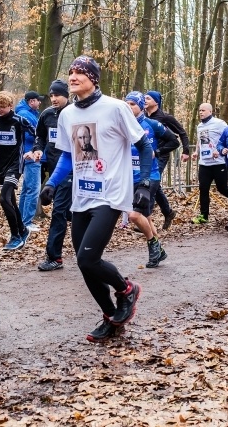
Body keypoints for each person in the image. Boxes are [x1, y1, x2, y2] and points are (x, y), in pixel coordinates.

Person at [39, 55, 150, 342]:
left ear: (93, 78)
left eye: (80, 72)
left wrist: (145, 184)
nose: (73, 77)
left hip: (111, 194)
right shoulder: (67, 115)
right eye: (71, 72)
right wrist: (52, 182)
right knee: (84, 262)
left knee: (89, 258)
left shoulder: (115, 108)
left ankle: (127, 289)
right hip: (82, 195)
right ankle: (112, 318)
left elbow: (144, 145)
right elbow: (67, 155)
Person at [124, 91, 178, 267]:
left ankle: (153, 245)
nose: (129, 107)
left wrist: (158, 152)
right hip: (129, 177)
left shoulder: (152, 124)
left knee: (134, 215)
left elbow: (174, 141)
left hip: (150, 176)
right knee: (145, 217)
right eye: (127, 104)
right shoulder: (121, 125)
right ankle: (158, 251)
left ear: (141, 106)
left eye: (133, 104)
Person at [0, 90, 35, 250]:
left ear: (10, 106)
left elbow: (37, 133)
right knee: (10, 200)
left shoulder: (19, 120)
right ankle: (23, 230)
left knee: (4, 199)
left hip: (15, 165)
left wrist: (33, 150)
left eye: (2, 107)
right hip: (0, 166)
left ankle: (15, 236)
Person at [26, 79, 71, 271]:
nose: (53, 99)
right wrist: (37, 150)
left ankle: (55, 257)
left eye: (57, 95)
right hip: (53, 171)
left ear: (67, 96)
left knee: (59, 211)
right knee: (69, 213)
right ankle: (88, 251)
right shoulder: (46, 115)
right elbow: (40, 137)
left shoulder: (74, 114)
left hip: (72, 170)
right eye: (51, 95)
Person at [145, 90, 190, 230]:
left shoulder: (165, 117)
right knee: (156, 185)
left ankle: (145, 220)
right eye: (144, 98)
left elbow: (182, 133)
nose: (145, 100)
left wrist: (186, 151)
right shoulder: (143, 117)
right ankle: (168, 212)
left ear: (156, 102)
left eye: (148, 98)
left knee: (151, 183)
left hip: (161, 154)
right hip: (147, 155)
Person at [191, 103, 228, 224]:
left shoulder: (219, 123)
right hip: (204, 163)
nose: (201, 112)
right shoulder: (199, 126)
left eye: (203, 110)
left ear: (210, 111)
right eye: (199, 110)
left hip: (218, 162)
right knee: (203, 189)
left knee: (222, 188)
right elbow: (200, 140)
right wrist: (196, 152)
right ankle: (204, 215)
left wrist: (220, 150)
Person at [16, 90, 43, 231]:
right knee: (33, 189)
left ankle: (21, 219)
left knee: (27, 188)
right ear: (32, 101)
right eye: (38, 100)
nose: (39, 103)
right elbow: (37, 135)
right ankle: (26, 222)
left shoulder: (25, 113)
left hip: (27, 154)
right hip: (31, 155)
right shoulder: (25, 115)